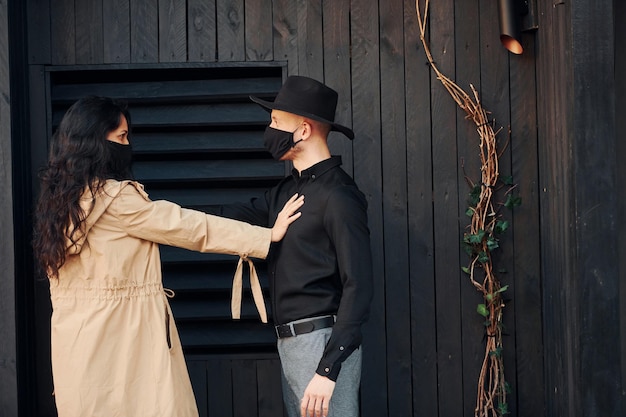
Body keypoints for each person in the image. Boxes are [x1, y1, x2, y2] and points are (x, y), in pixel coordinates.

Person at [31, 96, 304, 417]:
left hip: (79, 352)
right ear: (94, 142)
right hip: (126, 344)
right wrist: (264, 236)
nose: (127, 144)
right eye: (121, 137)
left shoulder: (59, 206)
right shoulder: (115, 200)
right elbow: (187, 226)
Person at [208, 76, 373, 417]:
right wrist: (158, 215)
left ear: (302, 129)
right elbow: (231, 217)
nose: (269, 129)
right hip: (291, 344)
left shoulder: (339, 196)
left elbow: (359, 285)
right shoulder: (286, 191)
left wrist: (328, 369)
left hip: (321, 344)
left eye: (275, 122)